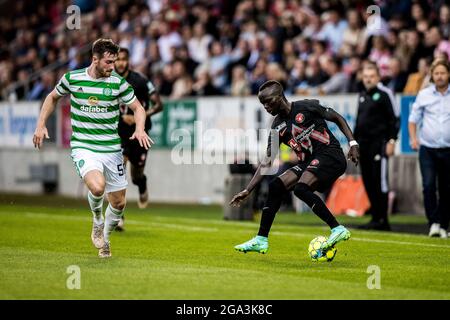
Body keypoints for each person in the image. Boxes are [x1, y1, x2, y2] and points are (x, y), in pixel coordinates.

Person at [32, 39, 153, 258]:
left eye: (114, 62)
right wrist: (40, 125)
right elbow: (52, 98)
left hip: (112, 148)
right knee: (97, 188)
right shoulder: (72, 78)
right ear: (94, 59)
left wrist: (141, 129)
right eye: (108, 62)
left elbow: (138, 108)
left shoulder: (117, 83)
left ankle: (105, 240)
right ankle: (97, 219)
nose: (111, 67)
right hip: (84, 146)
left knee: (119, 202)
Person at [230, 80, 359, 256]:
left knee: (300, 189)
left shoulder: (307, 106)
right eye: (263, 104)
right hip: (309, 163)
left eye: (268, 102)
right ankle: (261, 239)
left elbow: (336, 117)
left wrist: (353, 143)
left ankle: (337, 229)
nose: (266, 107)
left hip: (331, 155)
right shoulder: (277, 127)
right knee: (276, 186)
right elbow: (267, 160)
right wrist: (248, 189)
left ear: (280, 97)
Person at [114, 47, 163, 230]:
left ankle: (142, 184)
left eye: (123, 59)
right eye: (117, 59)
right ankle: (119, 215)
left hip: (140, 133)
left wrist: (139, 117)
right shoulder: (109, 81)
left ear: (128, 61)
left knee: (136, 175)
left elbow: (159, 105)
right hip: (119, 133)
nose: (120, 63)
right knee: (119, 171)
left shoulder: (140, 81)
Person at [354, 61, 399, 231]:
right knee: (368, 181)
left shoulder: (385, 94)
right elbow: (359, 122)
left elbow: (394, 119)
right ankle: (375, 217)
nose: (368, 79)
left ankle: (383, 220)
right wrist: (354, 143)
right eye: (365, 76)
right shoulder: (362, 95)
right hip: (363, 145)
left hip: (379, 144)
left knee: (380, 182)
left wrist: (392, 141)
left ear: (378, 77)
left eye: (371, 76)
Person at [408, 58, 450, 238]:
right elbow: (412, 119)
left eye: (443, 73)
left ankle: (443, 224)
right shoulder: (425, 94)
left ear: (448, 74)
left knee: (447, 188)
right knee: (428, 185)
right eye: (436, 73)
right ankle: (433, 222)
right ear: (432, 76)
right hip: (428, 148)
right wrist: (413, 138)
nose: (440, 76)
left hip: (448, 149)